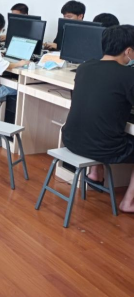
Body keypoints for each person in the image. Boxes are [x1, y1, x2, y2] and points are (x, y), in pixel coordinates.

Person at [62, 25, 134, 213]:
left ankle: (95, 172)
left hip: (70, 139)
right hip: (102, 147)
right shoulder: (128, 75)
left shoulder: (84, 67)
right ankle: (128, 202)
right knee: (108, 132)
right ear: (128, 51)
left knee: (100, 124)